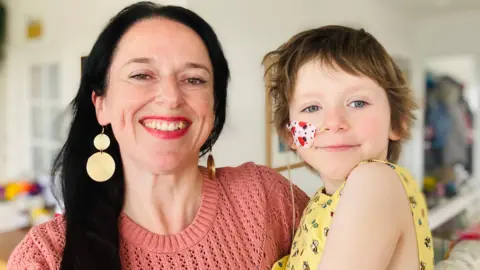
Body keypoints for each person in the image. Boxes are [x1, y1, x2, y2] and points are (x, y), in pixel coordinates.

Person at [8, 2, 309, 269]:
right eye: (141, 75)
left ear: (214, 106)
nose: (170, 97)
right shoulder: (45, 257)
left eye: (194, 79)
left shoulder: (270, 198)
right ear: (101, 104)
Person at [263, 25, 434, 270]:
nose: (334, 123)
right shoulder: (320, 203)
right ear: (291, 134)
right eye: (311, 108)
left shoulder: (374, 181)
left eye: (357, 102)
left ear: (397, 123)